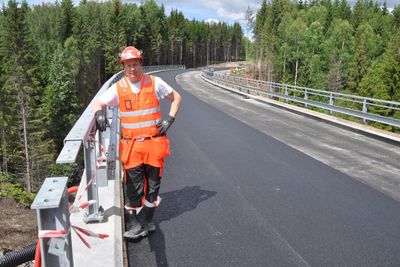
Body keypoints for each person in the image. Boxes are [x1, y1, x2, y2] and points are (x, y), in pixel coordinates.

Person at [92, 46, 182, 240]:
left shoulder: (155, 83)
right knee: (133, 187)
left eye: (135, 64)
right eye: (128, 65)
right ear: (123, 67)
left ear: (141, 64)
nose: (132, 69)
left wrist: (170, 119)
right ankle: (135, 225)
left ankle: (148, 221)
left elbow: (176, 98)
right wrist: (99, 113)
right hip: (132, 146)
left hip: (154, 144)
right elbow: (98, 103)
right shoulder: (118, 88)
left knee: (153, 187)